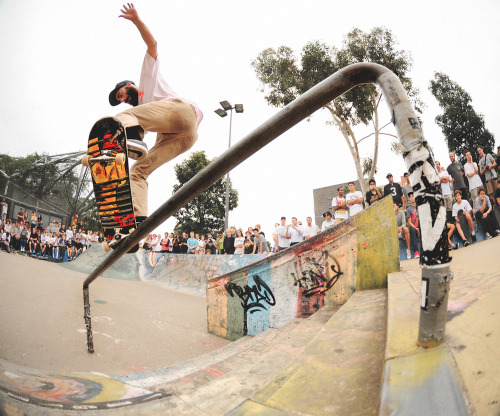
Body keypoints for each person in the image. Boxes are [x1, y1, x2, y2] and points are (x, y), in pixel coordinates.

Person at [108, 4, 203, 224]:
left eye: (121, 94)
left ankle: (127, 139)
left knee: (122, 118)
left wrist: (137, 21)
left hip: (180, 110)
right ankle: (139, 219)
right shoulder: (141, 113)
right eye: (121, 100)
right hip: (184, 137)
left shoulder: (144, 82)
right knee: (138, 171)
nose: (123, 99)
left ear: (129, 85)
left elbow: (153, 44)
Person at [405, 192, 421, 258]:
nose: (411, 198)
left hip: (420, 226)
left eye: (413, 196)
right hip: (413, 227)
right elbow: (409, 222)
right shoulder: (409, 209)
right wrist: (416, 228)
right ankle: (416, 252)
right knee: (413, 231)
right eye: (410, 197)